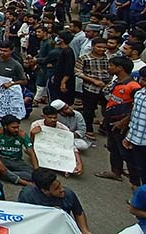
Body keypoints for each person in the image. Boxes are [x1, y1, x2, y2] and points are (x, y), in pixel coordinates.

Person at [96, 57, 141, 185]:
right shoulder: (116, 81)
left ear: (119, 68)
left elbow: (136, 107)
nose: (109, 68)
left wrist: (124, 121)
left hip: (121, 124)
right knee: (113, 147)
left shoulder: (133, 86)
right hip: (111, 120)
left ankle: (136, 183)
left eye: (111, 65)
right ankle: (115, 172)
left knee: (126, 153)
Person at [19, 168, 90, 234]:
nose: (62, 190)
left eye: (60, 185)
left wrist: (84, 231)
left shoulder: (68, 194)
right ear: (45, 191)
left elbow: (78, 213)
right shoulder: (27, 196)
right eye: (56, 188)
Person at [30, 105, 83, 175]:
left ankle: (62, 168)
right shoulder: (36, 125)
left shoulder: (63, 128)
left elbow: (72, 148)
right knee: (28, 149)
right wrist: (32, 134)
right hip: (42, 149)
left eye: (55, 117)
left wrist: (79, 164)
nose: (53, 120)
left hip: (57, 149)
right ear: (44, 116)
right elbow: (31, 143)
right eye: (50, 117)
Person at [74, 37, 110, 140]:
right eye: (99, 47)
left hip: (106, 88)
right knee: (88, 110)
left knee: (107, 109)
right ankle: (88, 130)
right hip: (90, 88)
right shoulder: (84, 58)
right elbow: (77, 72)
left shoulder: (108, 58)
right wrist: (92, 80)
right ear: (93, 47)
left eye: (104, 47)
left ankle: (104, 127)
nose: (102, 49)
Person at [0, 114, 37, 185]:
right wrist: (0, 163)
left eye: (17, 127)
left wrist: (37, 170)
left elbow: (31, 152)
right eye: (13, 127)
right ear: (5, 126)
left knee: (33, 175)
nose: (17, 129)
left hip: (16, 160)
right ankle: (20, 180)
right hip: (0, 159)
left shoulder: (22, 134)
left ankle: (4, 174)